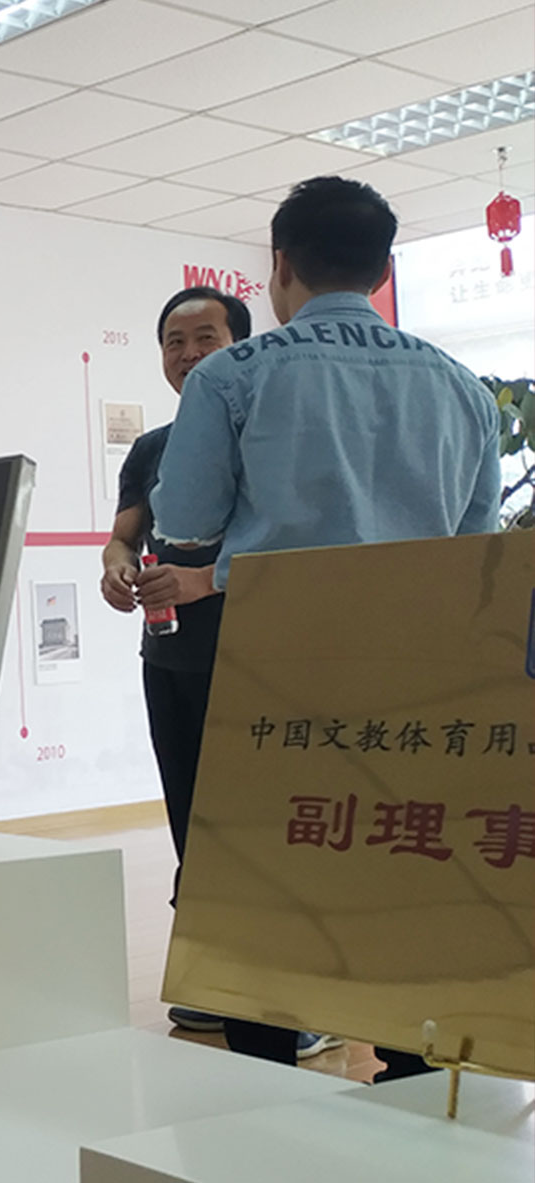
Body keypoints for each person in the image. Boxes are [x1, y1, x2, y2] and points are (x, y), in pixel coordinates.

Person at [152, 176, 500, 1080]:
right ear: (382, 268)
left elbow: (184, 520)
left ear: (279, 266)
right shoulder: (460, 386)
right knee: (399, 862)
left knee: (265, 879)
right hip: (419, 676)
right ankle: (409, 1069)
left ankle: (265, 1072)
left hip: (276, 667)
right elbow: (477, 548)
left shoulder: (234, 375)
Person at [100, 285, 255, 1041]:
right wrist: (115, 565)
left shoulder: (264, 432)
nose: (188, 354)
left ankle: (290, 998)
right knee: (191, 820)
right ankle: (216, 978)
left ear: (241, 347)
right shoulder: (151, 448)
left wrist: (202, 581)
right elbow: (123, 535)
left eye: (205, 338)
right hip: (168, 657)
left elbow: (287, 545)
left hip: (256, 658)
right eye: (174, 341)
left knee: (257, 825)